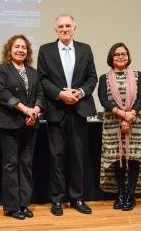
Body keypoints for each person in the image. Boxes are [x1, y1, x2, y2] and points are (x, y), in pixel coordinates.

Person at [37, 14, 97, 216]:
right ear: (55, 30)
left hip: (79, 110)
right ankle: (57, 200)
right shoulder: (45, 50)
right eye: (60, 26)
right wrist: (60, 94)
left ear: (74, 28)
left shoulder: (85, 49)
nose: (64, 29)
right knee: (57, 157)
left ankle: (77, 198)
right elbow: (42, 79)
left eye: (68, 26)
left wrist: (79, 93)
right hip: (56, 109)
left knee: (78, 157)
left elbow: (92, 78)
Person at [0, 35, 44, 220]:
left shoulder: (33, 72)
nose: (20, 50)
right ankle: (12, 206)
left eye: (24, 47)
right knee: (10, 165)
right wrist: (25, 110)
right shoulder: (1, 70)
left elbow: (40, 94)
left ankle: (24, 204)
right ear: (9, 49)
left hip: (30, 124)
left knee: (26, 165)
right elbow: (2, 93)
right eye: (17, 47)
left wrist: (36, 111)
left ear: (28, 51)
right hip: (9, 124)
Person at [98, 43, 141, 211]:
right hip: (113, 122)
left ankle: (131, 194)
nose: (121, 57)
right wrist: (122, 114)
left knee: (134, 159)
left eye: (124, 54)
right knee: (118, 159)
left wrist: (130, 115)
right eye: (117, 54)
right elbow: (103, 101)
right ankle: (120, 193)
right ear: (111, 58)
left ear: (128, 56)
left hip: (136, 122)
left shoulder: (137, 75)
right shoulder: (104, 78)